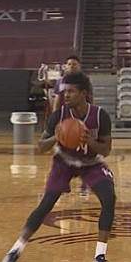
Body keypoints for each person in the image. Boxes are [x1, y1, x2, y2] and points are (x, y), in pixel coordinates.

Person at [0, 71, 116, 262]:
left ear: (83, 93)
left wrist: (90, 141)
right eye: (65, 92)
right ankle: (15, 250)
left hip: (91, 162)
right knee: (47, 203)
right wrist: (58, 135)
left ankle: (99, 257)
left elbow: (106, 150)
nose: (66, 95)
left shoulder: (100, 116)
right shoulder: (59, 115)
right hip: (64, 160)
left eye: (71, 91)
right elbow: (41, 146)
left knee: (109, 198)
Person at [53, 55, 94, 195]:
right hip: (66, 119)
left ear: (79, 66)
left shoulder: (85, 81)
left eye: (74, 64)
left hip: (81, 117)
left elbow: (90, 99)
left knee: (84, 151)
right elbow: (57, 101)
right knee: (64, 152)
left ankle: (85, 182)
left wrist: (91, 116)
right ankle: (64, 182)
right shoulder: (60, 82)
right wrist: (55, 118)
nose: (71, 66)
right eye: (69, 64)